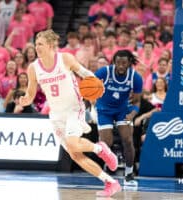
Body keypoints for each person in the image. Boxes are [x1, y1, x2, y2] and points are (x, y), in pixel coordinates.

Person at [19, 29, 121, 197]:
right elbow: (30, 94)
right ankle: (111, 182)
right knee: (75, 155)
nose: (37, 47)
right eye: (36, 44)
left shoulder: (65, 58)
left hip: (74, 107)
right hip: (56, 114)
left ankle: (100, 148)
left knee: (73, 144)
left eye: (40, 44)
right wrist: (25, 100)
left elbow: (85, 74)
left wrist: (97, 85)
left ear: (51, 45)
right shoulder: (33, 68)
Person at [94, 50, 143, 185]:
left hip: (123, 110)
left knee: (127, 140)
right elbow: (90, 85)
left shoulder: (135, 77)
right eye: (118, 63)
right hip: (104, 109)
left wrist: (132, 115)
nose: (121, 66)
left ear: (129, 63)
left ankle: (129, 173)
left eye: (124, 63)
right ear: (114, 62)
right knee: (106, 143)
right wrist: (89, 100)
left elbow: (137, 101)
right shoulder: (104, 72)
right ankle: (109, 166)